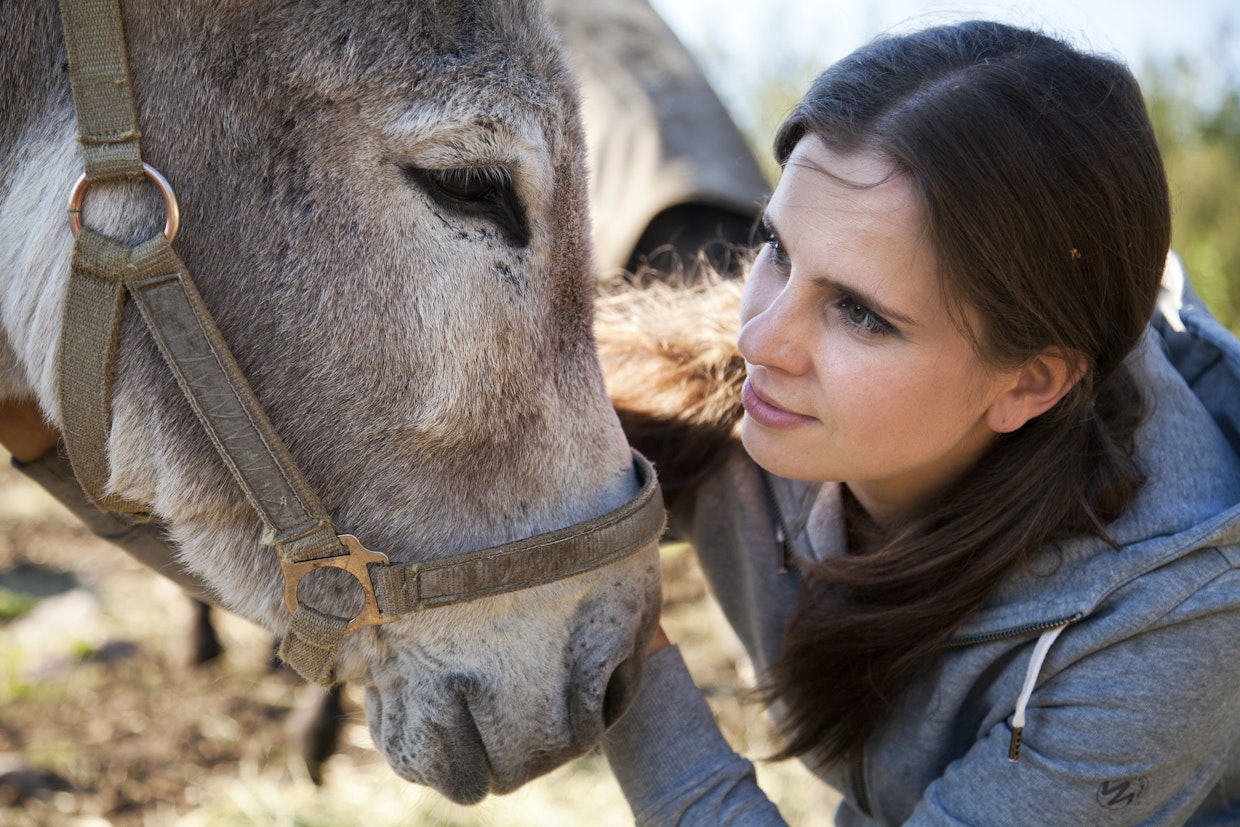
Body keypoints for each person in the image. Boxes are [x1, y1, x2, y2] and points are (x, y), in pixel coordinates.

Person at [598, 19, 1240, 826]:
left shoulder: (1167, 630)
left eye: (860, 313)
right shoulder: (762, 404)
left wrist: (624, 653)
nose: (758, 338)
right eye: (778, 248)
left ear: (1030, 382)